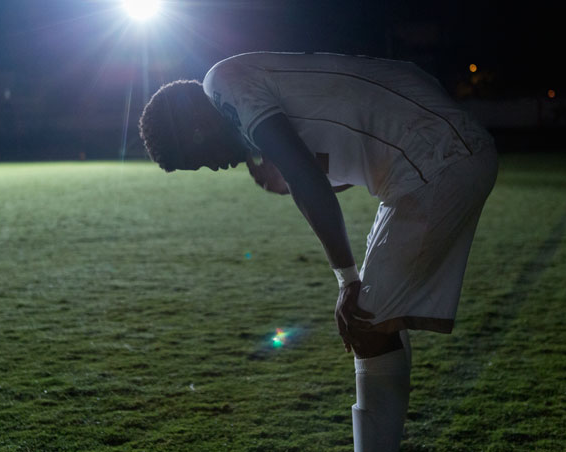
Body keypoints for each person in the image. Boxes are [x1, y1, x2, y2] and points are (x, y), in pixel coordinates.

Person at [138, 52, 497, 452]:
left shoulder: (220, 82)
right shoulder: (251, 98)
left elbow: (309, 177)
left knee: (365, 317)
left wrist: (345, 276)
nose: (213, 168)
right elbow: (337, 156)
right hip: (426, 162)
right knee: (374, 321)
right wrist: (294, 177)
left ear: (195, 129)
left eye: (197, 161)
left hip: (437, 160)